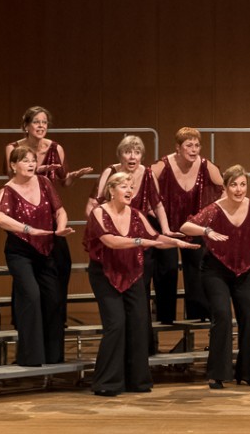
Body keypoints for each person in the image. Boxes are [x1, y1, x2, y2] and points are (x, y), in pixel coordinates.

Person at [84, 172, 197, 396]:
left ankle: (137, 381)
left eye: (131, 187)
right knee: (116, 324)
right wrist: (140, 241)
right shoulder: (99, 212)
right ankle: (107, 382)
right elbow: (110, 241)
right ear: (111, 190)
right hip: (105, 274)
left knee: (138, 323)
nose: (129, 191)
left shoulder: (136, 214)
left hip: (132, 273)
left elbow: (155, 237)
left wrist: (176, 243)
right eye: (124, 187)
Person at [181, 165, 250, 389]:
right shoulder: (215, 209)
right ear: (225, 186)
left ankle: (249, 372)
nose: (239, 189)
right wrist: (206, 231)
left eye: (243, 185)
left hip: (243, 270)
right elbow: (186, 226)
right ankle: (217, 374)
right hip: (215, 270)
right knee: (222, 316)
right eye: (234, 185)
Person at [5, 106, 94, 328]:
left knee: (62, 263)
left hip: (48, 214)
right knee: (25, 268)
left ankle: (56, 317)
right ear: (26, 126)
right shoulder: (13, 148)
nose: (41, 126)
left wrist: (74, 176)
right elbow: (12, 176)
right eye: (36, 122)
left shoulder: (56, 148)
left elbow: (64, 182)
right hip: (23, 214)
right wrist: (39, 168)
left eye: (44, 122)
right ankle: (22, 318)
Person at [87, 135, 175, 353]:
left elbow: (158, 205)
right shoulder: (110, 172)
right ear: (120, 155)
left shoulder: (147, 173)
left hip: (140, 240)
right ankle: (122, 349)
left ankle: (143, 349)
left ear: (142, 156)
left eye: (136, 152)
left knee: (140, 295)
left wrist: (165, 231)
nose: (132, 156)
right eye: (128, 152)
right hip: (114, 243)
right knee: (118, 304)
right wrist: (101, 228)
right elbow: (92, 205)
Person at [0, 146, 73, 365]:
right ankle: (30, 357)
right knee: (31, 295)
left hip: (46, 249)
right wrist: (28, 229)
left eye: (33, 160)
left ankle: (52, 356)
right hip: (20, 252)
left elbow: (60, 211)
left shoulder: (44, 182)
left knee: (53, 298)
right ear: (13, 165)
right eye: (25, 160)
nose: (30, 164)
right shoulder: (8, 190)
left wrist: (60, 229)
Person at [151, 127, 224, 322]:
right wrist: (152, 211)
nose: (194, 149)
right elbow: (144, 186)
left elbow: (225, 190)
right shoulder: (162, 165)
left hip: (194, 227)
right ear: (178, 147)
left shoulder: (206, 165)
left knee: (197, 272)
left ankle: (197, 320)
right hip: (167, 227)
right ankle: (165, 319)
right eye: (189, 145)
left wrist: (212, 216)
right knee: (167, 271)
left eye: (197, 145)